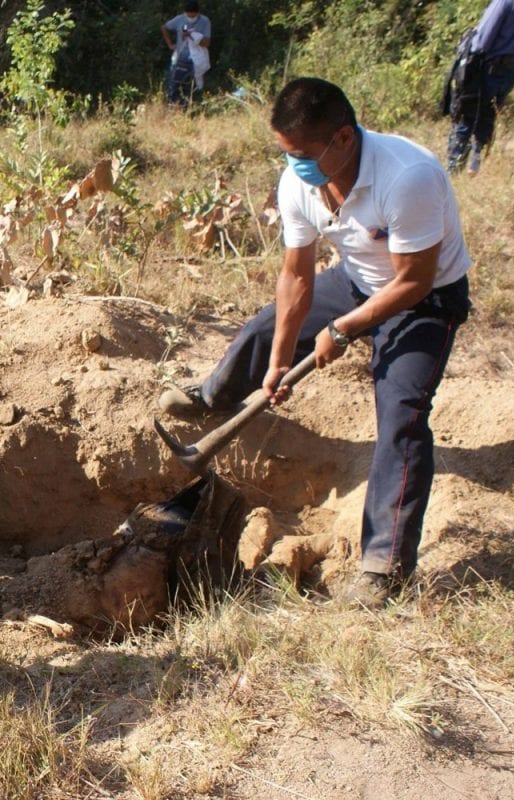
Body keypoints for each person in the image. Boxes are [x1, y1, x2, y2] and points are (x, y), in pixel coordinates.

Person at [159, 78, 472, 607]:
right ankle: (215, 396)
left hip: (426, 299)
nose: (293, 165)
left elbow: (414, 280)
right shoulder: (298, 183)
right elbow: (297, 278)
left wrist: (342, 329)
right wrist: (281, 360)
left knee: (401, 412)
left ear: (343, 139)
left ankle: (385, 566)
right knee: (264, 328)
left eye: (302, 153)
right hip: (357, 279)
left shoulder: (408, 177)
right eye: (285, 153)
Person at [445, 0, 514, 175]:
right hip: (511, 69)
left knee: (465, 114)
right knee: (488, 114)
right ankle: (476, 159)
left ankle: (453, 171)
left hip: (487, 68)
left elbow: (481, 42)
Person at [161, 1, 212, 107]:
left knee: (190, 88)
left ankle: (190, 108)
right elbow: (164, 27)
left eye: (193, 16)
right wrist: (170, 45)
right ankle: (173, 106)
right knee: (173, 84)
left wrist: (193, 36)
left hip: (194, 60)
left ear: (198, 13)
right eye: (189, 16)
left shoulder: (205, 21)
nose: (190, 18)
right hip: (179, 57)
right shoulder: (180, 19)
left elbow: (206, 43)